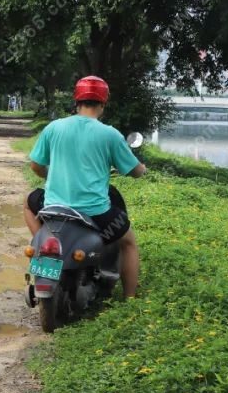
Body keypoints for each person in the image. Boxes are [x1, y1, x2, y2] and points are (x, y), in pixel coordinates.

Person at [23, 76, 147, 298]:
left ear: (77, 101)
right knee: (128, 242)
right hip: (94, 212)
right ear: (103, 104)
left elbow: (35, 166)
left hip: (54, 208)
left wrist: (49, 175)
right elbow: (135, 171)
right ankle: (130, 299)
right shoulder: (109, 134)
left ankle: (43, 240)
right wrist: (142, 168)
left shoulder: (54, 128)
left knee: (27, 203)